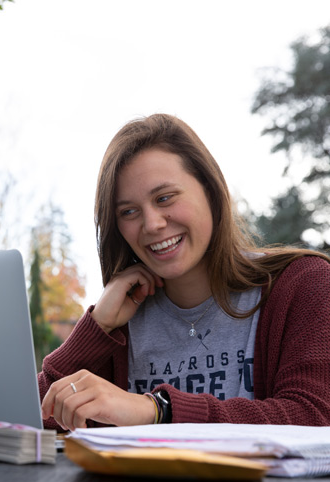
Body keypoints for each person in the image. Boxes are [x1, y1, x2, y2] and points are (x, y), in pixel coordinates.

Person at [39, 113, 330, 432]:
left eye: (164, 198)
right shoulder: (120, 325)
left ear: (210, 191)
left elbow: (314, 417)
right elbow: (23, 422)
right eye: (129, 212)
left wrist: (158, 410)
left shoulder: (305, 284)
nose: (152, 224)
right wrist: (96, 328)